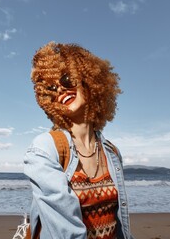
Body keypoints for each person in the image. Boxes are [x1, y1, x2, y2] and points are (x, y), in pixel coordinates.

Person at [24, 42, 133, 239]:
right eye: (51, 87)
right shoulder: (45, 148)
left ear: (90, 80)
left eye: (66, 79)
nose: (60, 90)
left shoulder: (112, 153)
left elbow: (120, 227)